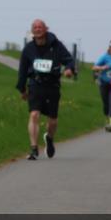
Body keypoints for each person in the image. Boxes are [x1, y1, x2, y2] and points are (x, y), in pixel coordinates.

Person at [16, 20, 75, 159]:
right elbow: (22, 71)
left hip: (52, 86)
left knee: (53, 121)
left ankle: (49, 138)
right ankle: (34, 148)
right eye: (35, 27)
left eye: (40, 27)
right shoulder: (28, 49)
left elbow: (69, 60)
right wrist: (22, 89)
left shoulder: (57, 45)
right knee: (34, 114)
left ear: (46, 29)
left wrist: (68, 69)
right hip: (35, 85)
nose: (37, 29)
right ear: (32, 31)